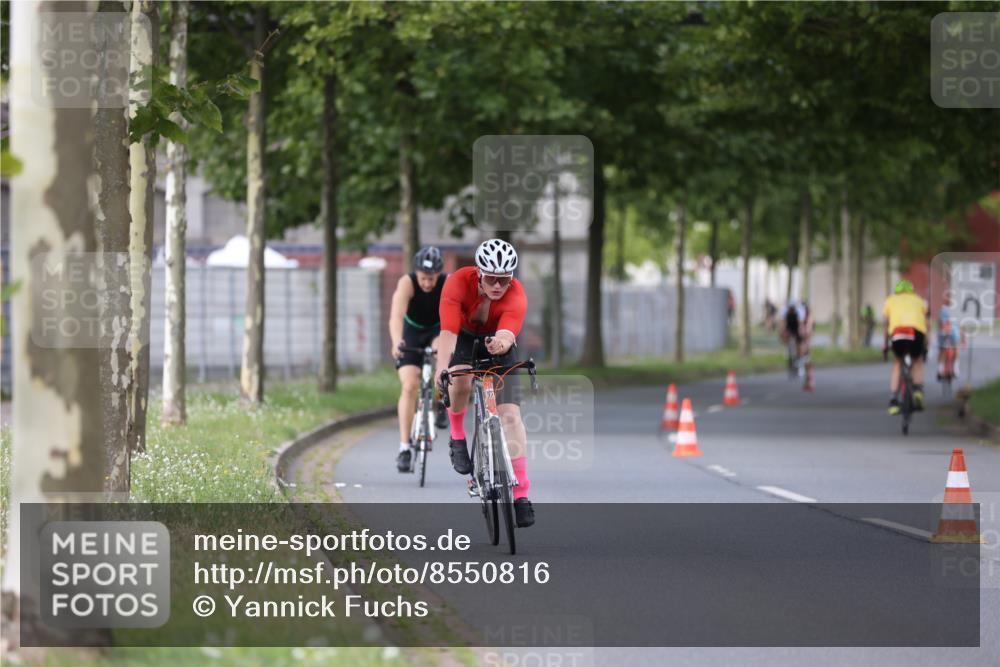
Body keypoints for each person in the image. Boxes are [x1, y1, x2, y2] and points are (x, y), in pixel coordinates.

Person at [436, 238, 534, 527]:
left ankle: (522, 495)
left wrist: (500, 343)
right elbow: (448, 334)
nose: (498, 285)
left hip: (498, 341)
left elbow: (508, 331)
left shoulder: (516, 294)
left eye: (504, 279)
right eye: (491, 278)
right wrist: (442, 367)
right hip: (463, 338)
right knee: (461, 378)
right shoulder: (457, 283)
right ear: (479, 272)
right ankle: (456, 435)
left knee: (511, 416)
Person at [389, 246, 448, 473]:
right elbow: (395, 316)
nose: (427, 283)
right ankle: (404, 448)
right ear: (417, 274)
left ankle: (441, 400)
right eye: (423, 278)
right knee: (410, 384)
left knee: (441, 357)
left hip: (436, 330)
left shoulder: (446, 283)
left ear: (438, 275)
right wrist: (396, 342)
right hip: (411, 332)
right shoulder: (407, 283)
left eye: (431, 279)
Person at [882, 279, 929, 415]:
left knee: (897, 363)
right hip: (916, 332)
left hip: (897, 333)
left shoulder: (890, 300)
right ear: (911, 291)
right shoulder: (919, 301)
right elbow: (927, 325)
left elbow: (886, 324)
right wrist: (925, 346)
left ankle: (893, 400)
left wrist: (885, 344)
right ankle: (918, 390)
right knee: (917, 360)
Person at [779, 299, 815, 391]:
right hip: (790, 326)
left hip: (798, 326)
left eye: (793, 309)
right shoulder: (784, 311)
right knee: (788, 340)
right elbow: (782, 324)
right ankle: (792, 361)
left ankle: (803, 363)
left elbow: (803, 325)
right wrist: (783, 334)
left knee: (802, 346)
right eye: (790, 308)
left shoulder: (802, 312)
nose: (792, 310)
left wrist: (804, 334)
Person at [936, 305, 961, 381]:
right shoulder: (955, 310)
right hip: (953, 332)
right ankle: (956, 369)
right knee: (956, 346)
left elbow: (939, 324)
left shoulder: (942, 310)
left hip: (943, 332)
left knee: (942, 349)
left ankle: (940, 370)